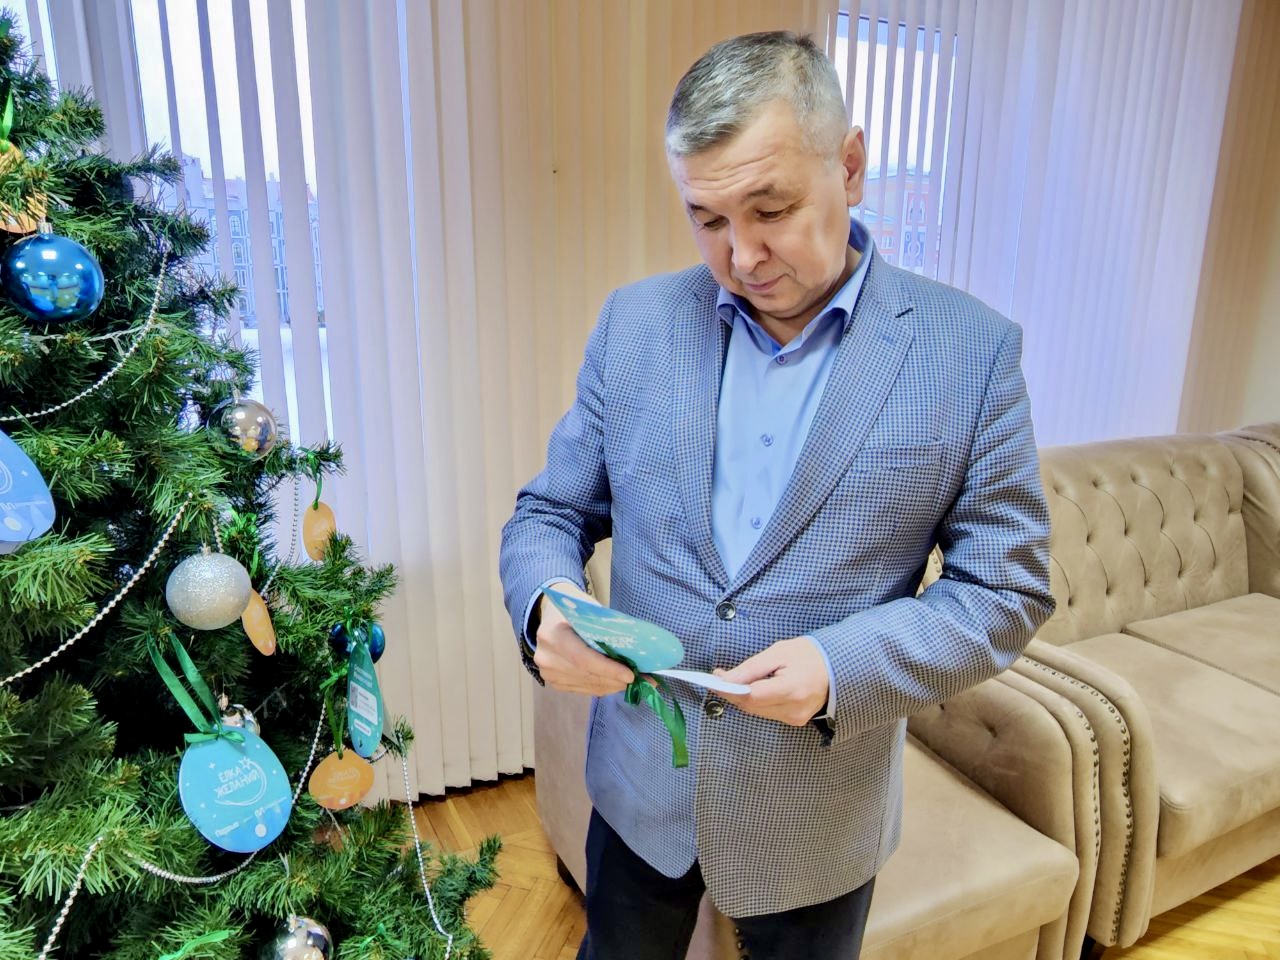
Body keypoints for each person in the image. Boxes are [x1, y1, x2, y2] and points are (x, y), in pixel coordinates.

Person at [499, 31, 1054, 960]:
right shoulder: (634, 325)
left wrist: (841, 665)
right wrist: (546, 603)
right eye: (708, 219)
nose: (743, 254)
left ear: (851, 166)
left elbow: (1007, 589)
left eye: (772, 208)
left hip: (815, 820)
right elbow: (549, 513)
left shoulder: (971, 355)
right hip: (639, 790)